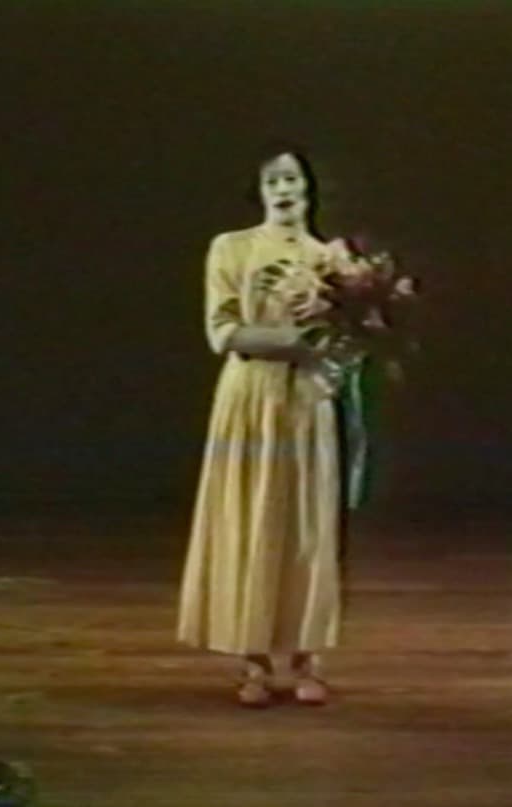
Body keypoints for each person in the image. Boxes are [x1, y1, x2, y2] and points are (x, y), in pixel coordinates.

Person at [177, 145, 369, 708]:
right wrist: (298, 341)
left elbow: (348, 343)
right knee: (252, 516)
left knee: (308, 523)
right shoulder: (231, 248)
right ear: (260, 191)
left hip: (307, 400)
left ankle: (308, 657)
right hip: (251, 397)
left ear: (309, 188)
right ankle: (253, 659)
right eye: (273, 181)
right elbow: (223, 332)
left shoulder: (333, 260)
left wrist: (340, 349)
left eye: (292, 179)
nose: (284, 190)